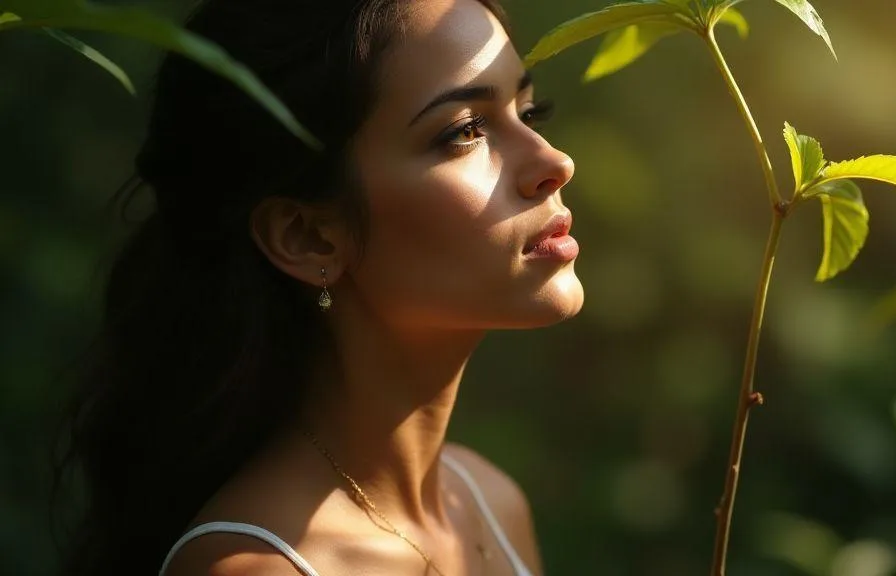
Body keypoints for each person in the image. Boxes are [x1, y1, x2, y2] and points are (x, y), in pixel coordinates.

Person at [54, 0, 582, 574]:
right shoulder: (260, 568)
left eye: (529, 113)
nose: (554, 161)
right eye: (465, 130)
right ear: (309, 236)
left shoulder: (488, 503)